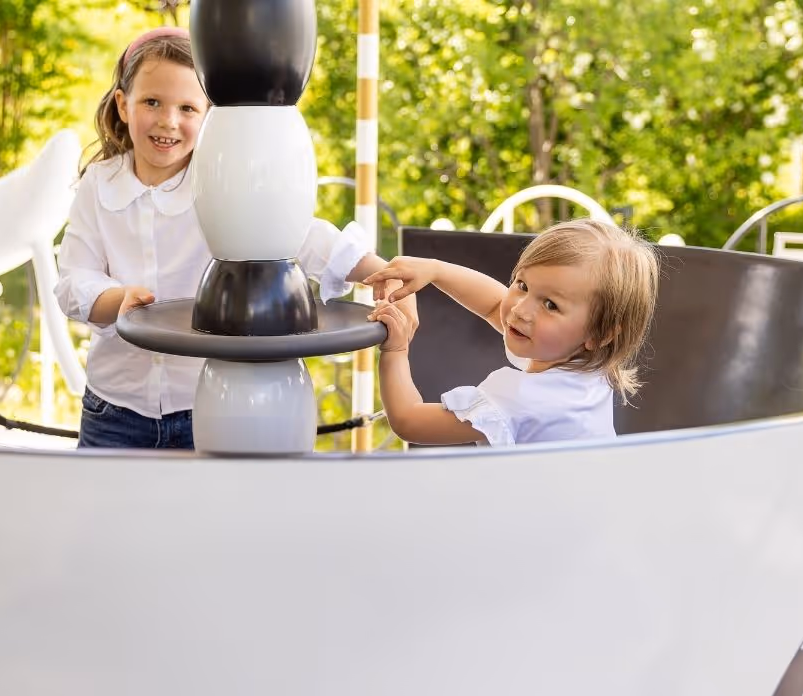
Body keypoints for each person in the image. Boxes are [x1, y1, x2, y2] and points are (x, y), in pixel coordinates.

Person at [55, 27, 407, 449]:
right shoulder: (97, 184)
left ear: (208, 116)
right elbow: (74, 278)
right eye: (152, 102)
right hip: (114, 409)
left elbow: (297, 234)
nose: (169, 120)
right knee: (107, 513)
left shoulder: (222, 183)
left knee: (200, 513)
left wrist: (376, 270)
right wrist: (117, 299)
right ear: (123, 105)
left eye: (187, 107)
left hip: (202, 406)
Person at [364, 219, 659, 446]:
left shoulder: (522, 397)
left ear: (601, 334)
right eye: (523, 285)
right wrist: (436, 271)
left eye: (550, 305)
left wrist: (395, 350)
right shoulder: (588, 368)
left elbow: (408, 420)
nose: (520, 310)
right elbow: (496, 306)